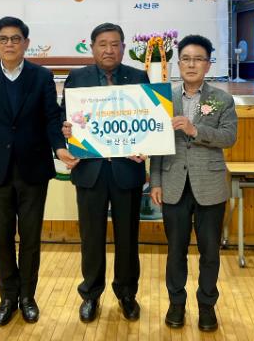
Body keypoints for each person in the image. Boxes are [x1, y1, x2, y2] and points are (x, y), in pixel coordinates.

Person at [0, 16, 75, 327]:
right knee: (1, 239)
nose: (10, 44)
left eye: (16, 38)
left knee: (30, 239)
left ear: (26, 43)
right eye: (3, 39)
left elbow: (51, 119)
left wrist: (59, 148)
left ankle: (28, 297)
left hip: (33, 170)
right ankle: (7, 298)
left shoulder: (42, 76)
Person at [60, 23, 149, 323]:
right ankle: (91, 294)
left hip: (127, 170)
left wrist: (145, 144)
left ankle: (127, 294)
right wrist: (66, 130)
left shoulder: (138, 77)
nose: (109, 50)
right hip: (90, 171)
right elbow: (63, 118)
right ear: (92, 47)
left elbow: (148, 121)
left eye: (114, 44)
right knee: (91, 238)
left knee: (128, 238)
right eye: (102, 44)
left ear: (123, 47)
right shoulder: (78, 78)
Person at [149, 34, 237, 332]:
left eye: (198, 59)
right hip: (173, 184)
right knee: (176, 250)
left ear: (208, 65)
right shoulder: (165, 98)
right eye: (186, 59)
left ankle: (207, 306)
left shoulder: (222, 99)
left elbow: (229, 137)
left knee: (210, 252)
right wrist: (156, 181)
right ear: (178, 63)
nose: (191, 64)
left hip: (210, 186)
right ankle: (176, 303)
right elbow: (157, 143)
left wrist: (195, 129)